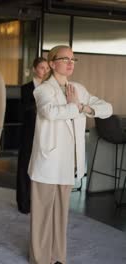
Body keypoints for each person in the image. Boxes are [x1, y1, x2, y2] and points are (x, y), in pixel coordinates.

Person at [28, 45, 112, 264]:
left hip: (68, 163)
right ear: (53, 62)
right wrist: (75, 107)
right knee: (43, 216)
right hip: (48, 162)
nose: (70, 63)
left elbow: (107, 108)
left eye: (73, 59)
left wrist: (81, 106)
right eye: (65, 59)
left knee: (61, 215)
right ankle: (39, 258)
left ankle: (57, 257)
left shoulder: (79, 89)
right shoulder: (43, 89)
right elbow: (49, 112)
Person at [16, 57, 50, 214]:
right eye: (42, 68)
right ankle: (23, 203)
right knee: (24, 167)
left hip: (46, 133)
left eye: (47, 68)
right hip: (29, 133)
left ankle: (40, 203)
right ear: (35, 69)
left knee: (42, 168)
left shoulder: (51, 88)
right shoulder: (26, 88)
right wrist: (39, 103)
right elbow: (22, 111)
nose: (45, 71)